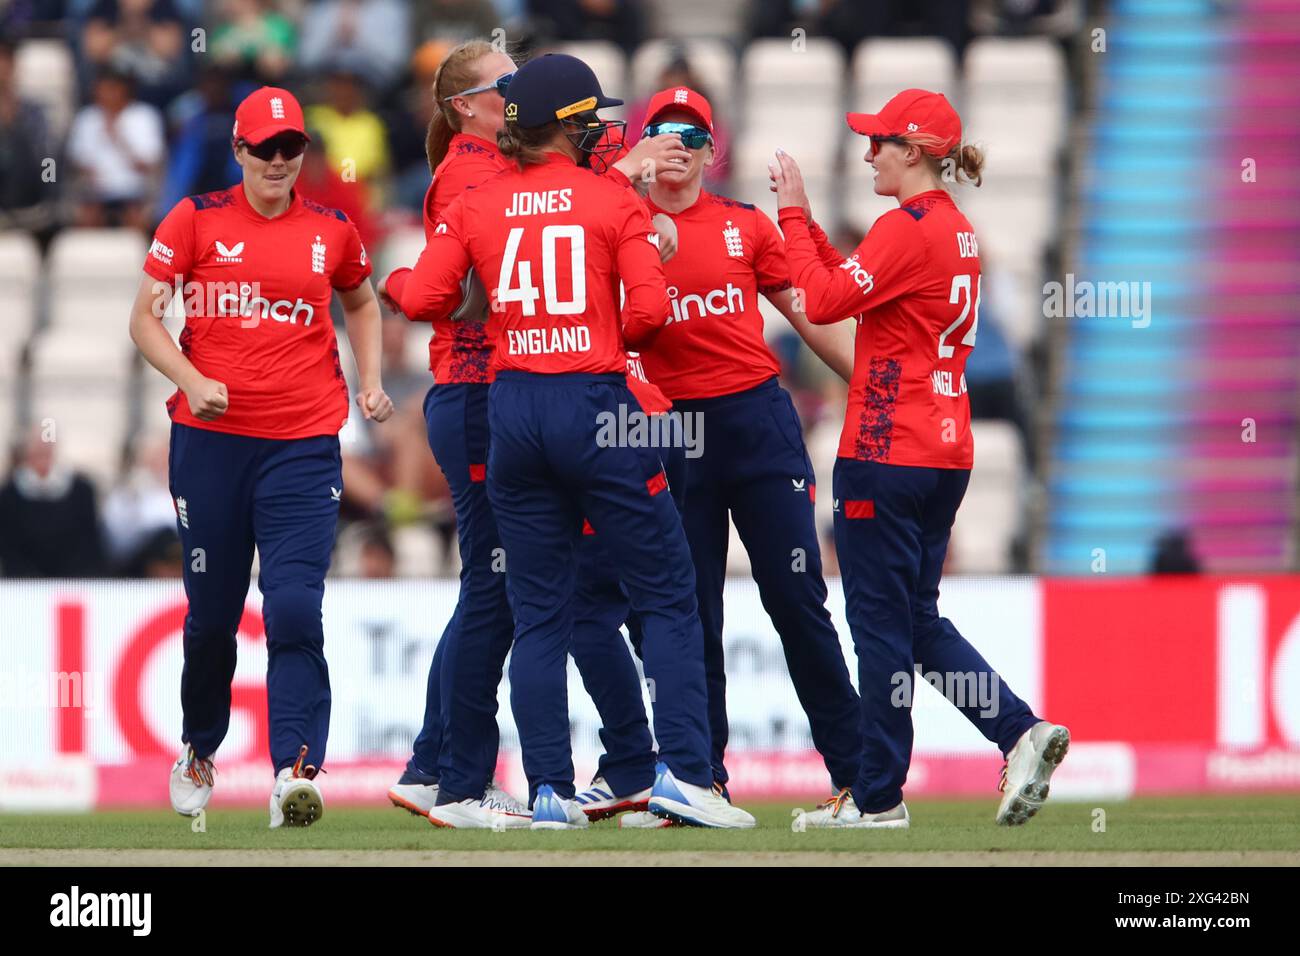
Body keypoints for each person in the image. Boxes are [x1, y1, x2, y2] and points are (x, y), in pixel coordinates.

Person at [385, 52, 754, 829]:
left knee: (540, 610)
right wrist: (599, 312)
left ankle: (548, 789)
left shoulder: (481, 200)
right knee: (668, 596)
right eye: (592, 118)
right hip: (594, 401)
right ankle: (686, 773)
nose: (603, 129)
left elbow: (421, 296)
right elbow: (649, 317)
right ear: (569, 126)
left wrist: (389, 285)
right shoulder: (607, 197)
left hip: (512, 408)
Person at [770, 89, 1069, 828]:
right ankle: (1017, 730)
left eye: (880, 143)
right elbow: (860, 288)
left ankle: (877, 800)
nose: (869, 154)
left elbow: (827, 297)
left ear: (913, 151)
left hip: (885, 446)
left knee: (879, 629)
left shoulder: (905, 228)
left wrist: (793, 217)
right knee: (914, 621)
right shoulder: (958, 230)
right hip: (945, 447)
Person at [571, 86, 864, 804]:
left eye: (693, 134)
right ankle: (703, 782)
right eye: (663, 132)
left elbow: (810, 316)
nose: (679, 144)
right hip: (668, 430)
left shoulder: (746, 226)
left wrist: (878, 384)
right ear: (641, 146)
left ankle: (863, 781)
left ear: (714, 149)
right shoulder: (611, 225)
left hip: (755, 423)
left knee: (796, 601)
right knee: (687, 610)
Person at [128, 86, 394, 828]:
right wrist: (191, 378)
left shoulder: (332, 229)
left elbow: (364, 301)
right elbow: (143, 322)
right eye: (266, 149)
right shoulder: (195, 219)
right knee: (213, 617)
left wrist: (369, 383)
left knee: (295, 608)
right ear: (239, 151)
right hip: (210, 446)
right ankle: (200, 749)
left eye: (292, 148)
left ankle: (295, 771)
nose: (280, 162)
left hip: (304, 445)